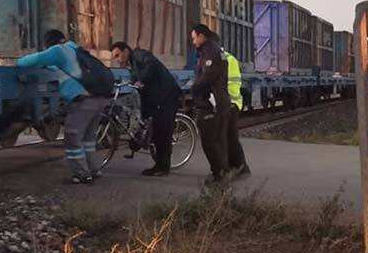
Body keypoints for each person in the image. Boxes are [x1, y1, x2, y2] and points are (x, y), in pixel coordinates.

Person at [18, 29, 109, 184]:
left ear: (49, 43)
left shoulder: (58, 51)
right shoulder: (75, 50)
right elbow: (66, 70)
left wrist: (17, 62)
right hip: (98, 98)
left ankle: (81, 174)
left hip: (83, 100)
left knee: (73, 138)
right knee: (87, 139)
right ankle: (94, 171)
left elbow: (31, 60)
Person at [111, 42, 180, 176]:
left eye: (118, 55)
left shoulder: (139, 55)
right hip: (157, 98)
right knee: (155, 131)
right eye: (115, 57)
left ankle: (163, 168)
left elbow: (151, 65)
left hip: (166, 96)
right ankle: (158, 165)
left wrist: (141, 80)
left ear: (126, 51)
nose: (117, 60)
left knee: (163, 132)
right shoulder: (131, 64)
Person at [189, 24, 232, 183]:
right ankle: (222, 171)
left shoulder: (210, 52)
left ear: (201, 36)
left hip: (211, 102)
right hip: (219, 101)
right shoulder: (214, 49)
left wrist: (194, 89)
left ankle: (218, 174)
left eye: (194, 38)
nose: (193, 42)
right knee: (218, 139)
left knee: (210, 141)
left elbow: (208, 77)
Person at [222, 46, 251, 177]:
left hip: (231, 102)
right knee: (227, 137)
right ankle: (235, 166)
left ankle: (240, 167)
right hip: (229, 102)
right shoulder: (226, 58)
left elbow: (230, 84)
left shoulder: (227, 59)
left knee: (230, 137)